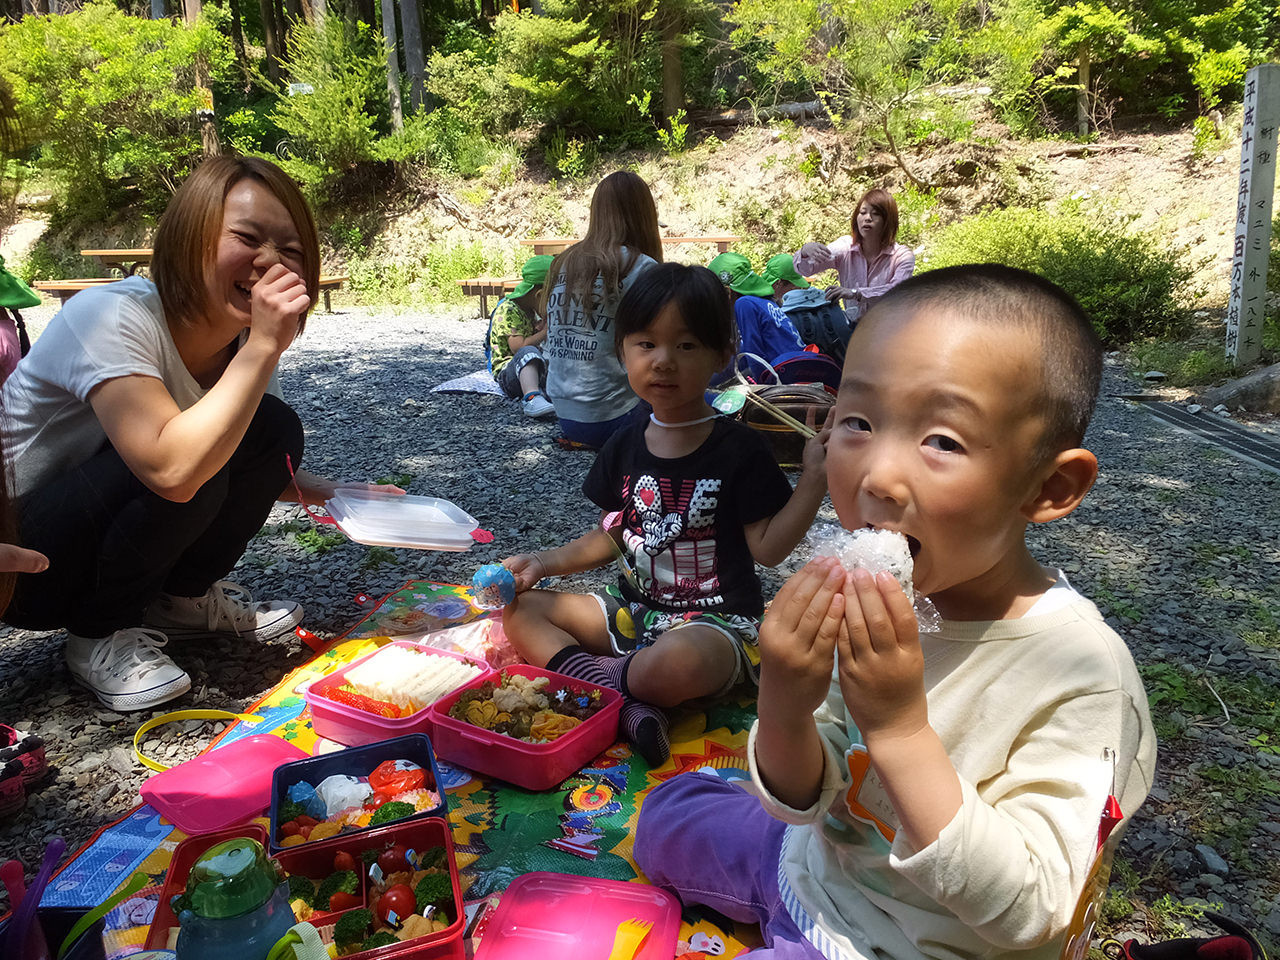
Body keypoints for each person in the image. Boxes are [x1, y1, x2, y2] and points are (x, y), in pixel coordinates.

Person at [635, 264, 1157, 960]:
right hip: (815, 869)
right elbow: (804, 792)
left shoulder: (1080, 675)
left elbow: (1032, 912)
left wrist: (901, 730)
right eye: (858, 421)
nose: (877, 473)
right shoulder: (874, 600)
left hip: (909, 945)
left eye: (941, 440)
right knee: (666, 815)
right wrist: (786, 701)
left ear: (1050, 486)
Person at [1, 156, 399, 712]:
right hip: (19, 564)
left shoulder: (245, 339)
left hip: (83, 535)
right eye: (248, 238)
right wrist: (263, 347)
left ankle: (178, 602)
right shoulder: (110, 316)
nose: (270, 263)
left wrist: (337, 493)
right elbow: (171, 468)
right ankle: (98, 635)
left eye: (291, 249)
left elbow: (256, 456)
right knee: (196, 450)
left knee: (268, 428)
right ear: (190, 240)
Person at [501, 263, 832, 765]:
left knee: (671, 667)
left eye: (686, 346)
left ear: (721, 356)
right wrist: (543, 564)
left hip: (714, 622)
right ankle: (628, 704)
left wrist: (814, 481)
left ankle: (610, 687)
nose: (663, 361)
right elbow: (613, 534)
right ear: (623, 352)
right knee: (521, 611)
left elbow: (768, 550)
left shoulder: (739, 448)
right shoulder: (625, 443)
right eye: (646, 344)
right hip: (634, 611)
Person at [543, 171, 662, 448]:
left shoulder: (563, 262)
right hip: (616, 415)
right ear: (644, 214)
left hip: (566, 415)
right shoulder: (641, 266)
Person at [793, 187, 915, 322]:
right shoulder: (845, 247)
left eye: (875, 214)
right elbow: (805, 270)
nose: (867, 218)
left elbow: (896, 291)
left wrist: (854, 293)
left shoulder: (902, 256)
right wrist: (805, 251)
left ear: (888, 221)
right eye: (863, 212)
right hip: (853, 329)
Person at [707, 252, 805, 379]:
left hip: (786, 376)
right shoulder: (765, 301)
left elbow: (753, 355)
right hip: (797, 368)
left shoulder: (744, 304)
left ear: (728, 291)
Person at [487, 254, 555, 418]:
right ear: (539, 295)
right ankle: (532, 398)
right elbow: (519, 347)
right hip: (508, 374)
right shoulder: (509, 310)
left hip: (528, 371)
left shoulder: (528, 310)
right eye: (551, 300)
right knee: (528, 352)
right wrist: (544, 333)